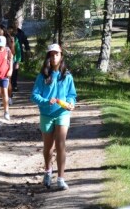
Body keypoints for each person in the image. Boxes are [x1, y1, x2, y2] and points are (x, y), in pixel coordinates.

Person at [30, 44, 77, 191]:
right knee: (48, 146)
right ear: (48, 57)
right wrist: (45, 102)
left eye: (56, 54)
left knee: (61, 144)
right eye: (51, 55)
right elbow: (34, 95)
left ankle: (61, 178)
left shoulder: (67, 76)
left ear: (61, 56)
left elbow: (72, 94)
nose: (54, 57)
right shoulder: (42, 76)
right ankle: (48, 171)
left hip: (62, 113)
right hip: (46, 114)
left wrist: (71, 103)